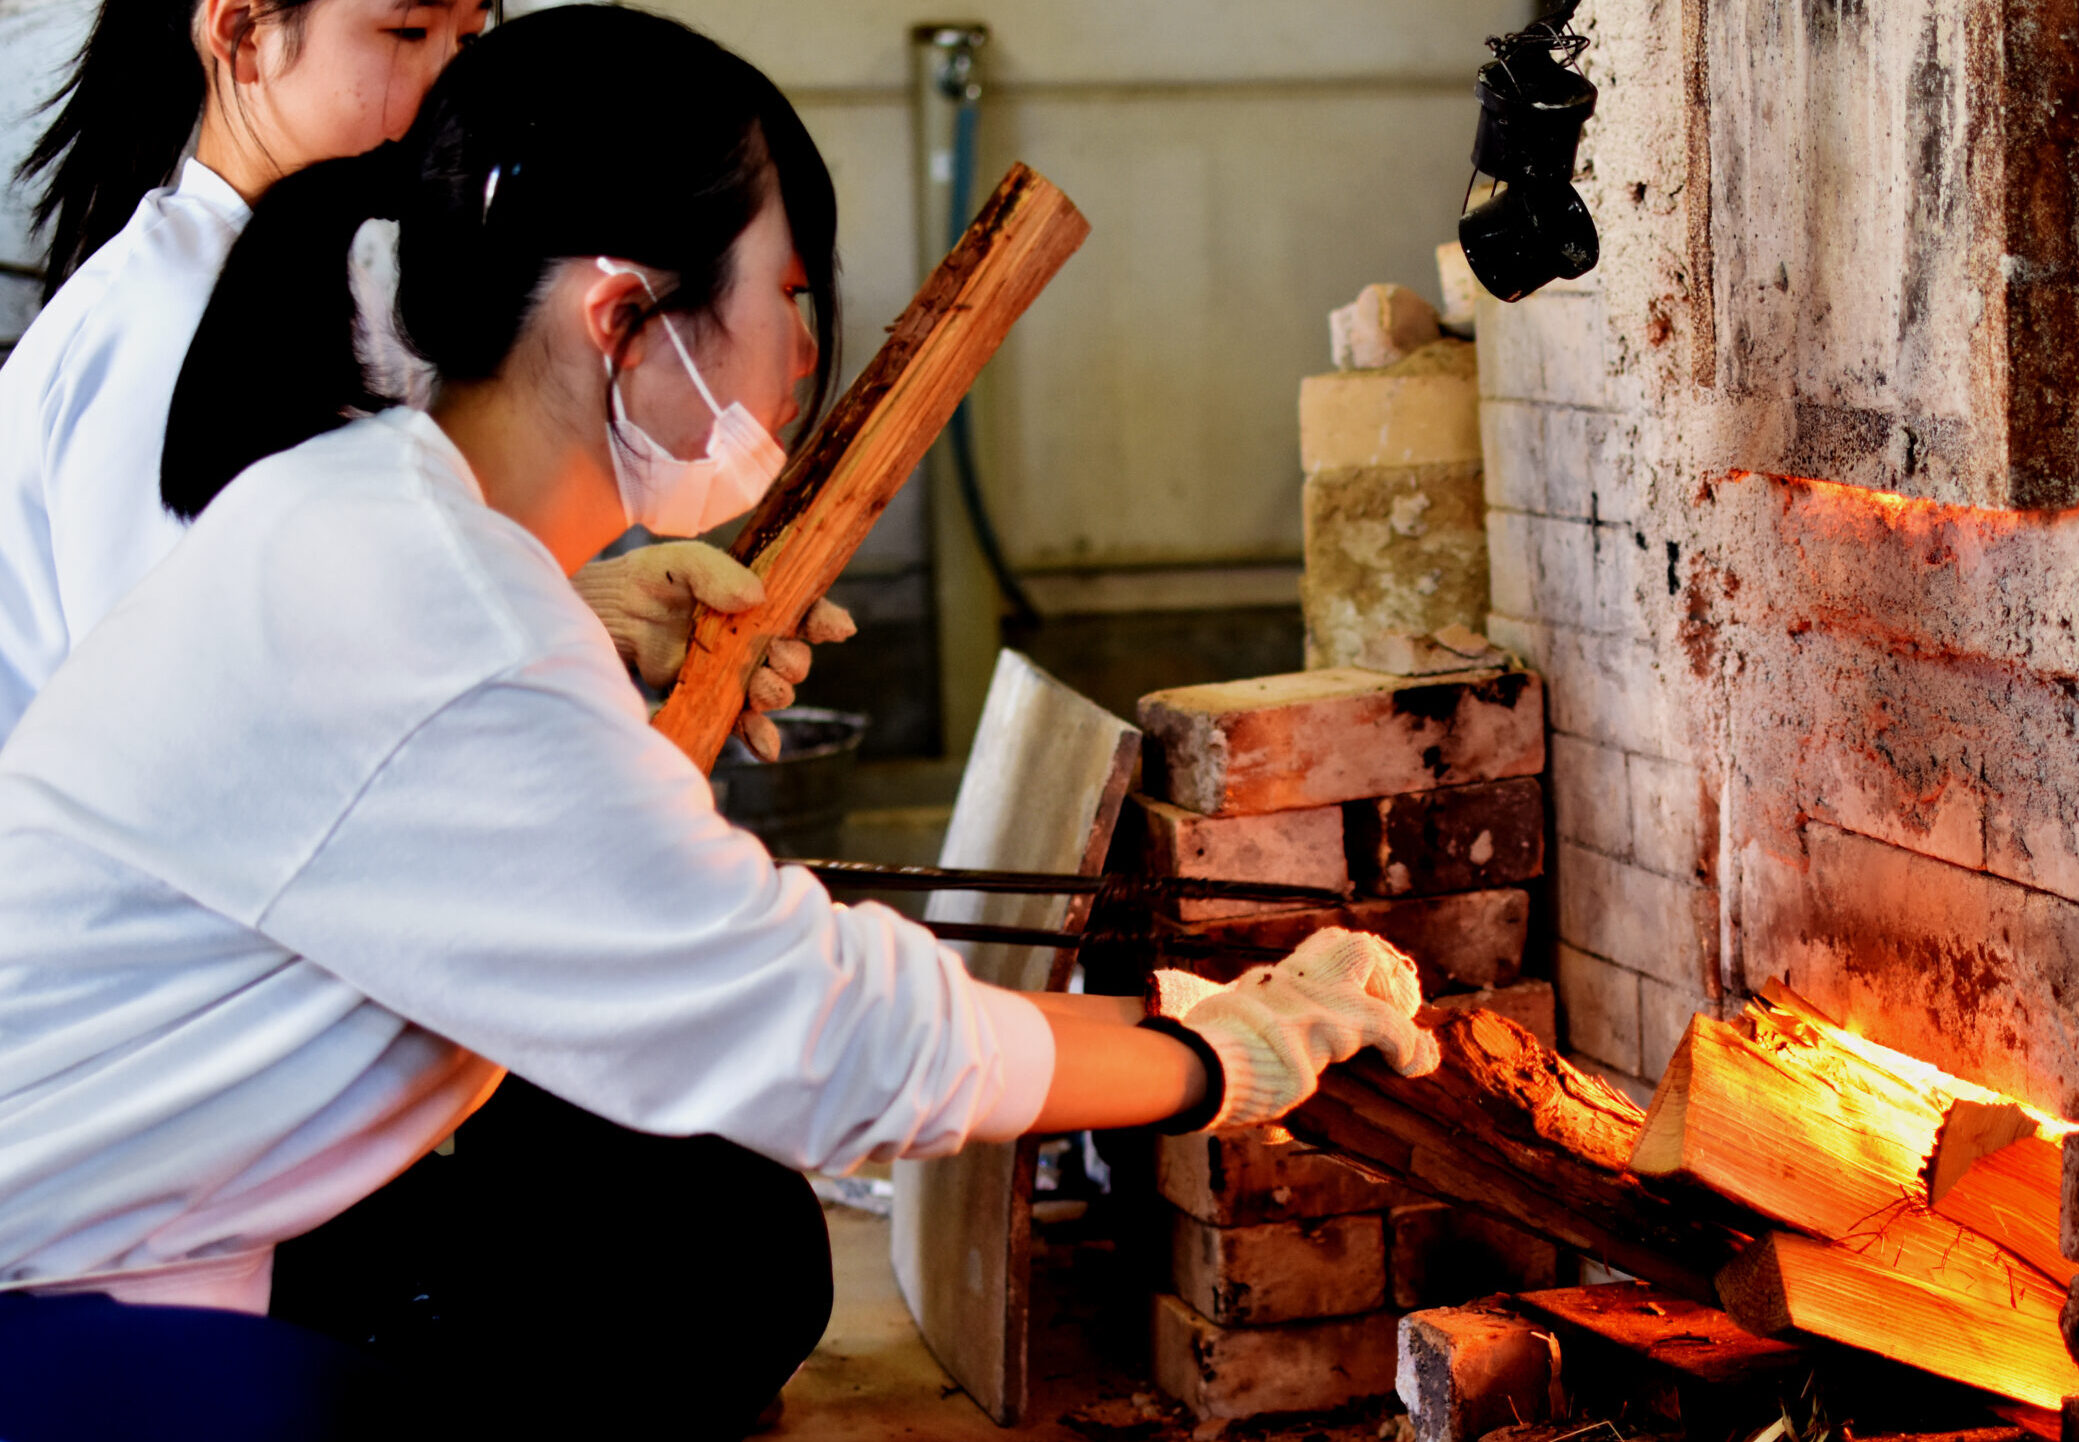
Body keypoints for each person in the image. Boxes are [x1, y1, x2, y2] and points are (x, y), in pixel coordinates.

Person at [0, 9, 1438, 1440]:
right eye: (789, 289)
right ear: (624, 318)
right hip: (52, 1301)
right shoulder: (429, 596)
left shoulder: (401, 524)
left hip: (135, 1257)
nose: (806, 349)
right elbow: (819, 1035)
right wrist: (1225, 1049)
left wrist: (594, 631)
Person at [2, 0, 835, 759]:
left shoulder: (348, 293)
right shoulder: (170, 331)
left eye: (470, 39)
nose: (450, 81)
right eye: (406, 33)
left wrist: (583, 604)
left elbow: (326, 628)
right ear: (242, 34)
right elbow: (220, 725)